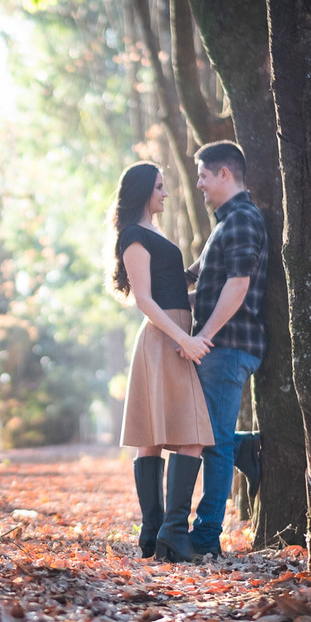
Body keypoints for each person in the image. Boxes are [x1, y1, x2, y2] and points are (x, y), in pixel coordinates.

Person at [110, 162, 214, 562]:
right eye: (158, 187)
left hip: (173, 335)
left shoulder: (151, 233)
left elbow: (170, 288)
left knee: (155, 438)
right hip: (164, 340)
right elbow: (144, 300)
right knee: (189, 435)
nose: (165, 194)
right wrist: (184, 339)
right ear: (142, 192)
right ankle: (168, 531)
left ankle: (155, 535)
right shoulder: (134, 236)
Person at [183, 141, 268, 557]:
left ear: (224, 173)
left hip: (228, 345)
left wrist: (205, 336)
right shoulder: (226, 223)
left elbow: (238, 285)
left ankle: (205, 539)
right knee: (207, 434)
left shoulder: (243, 220)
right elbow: (200, 280)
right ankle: (244, 445)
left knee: (214, 442)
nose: (199, 184)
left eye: (203, 175)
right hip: (222, 346)